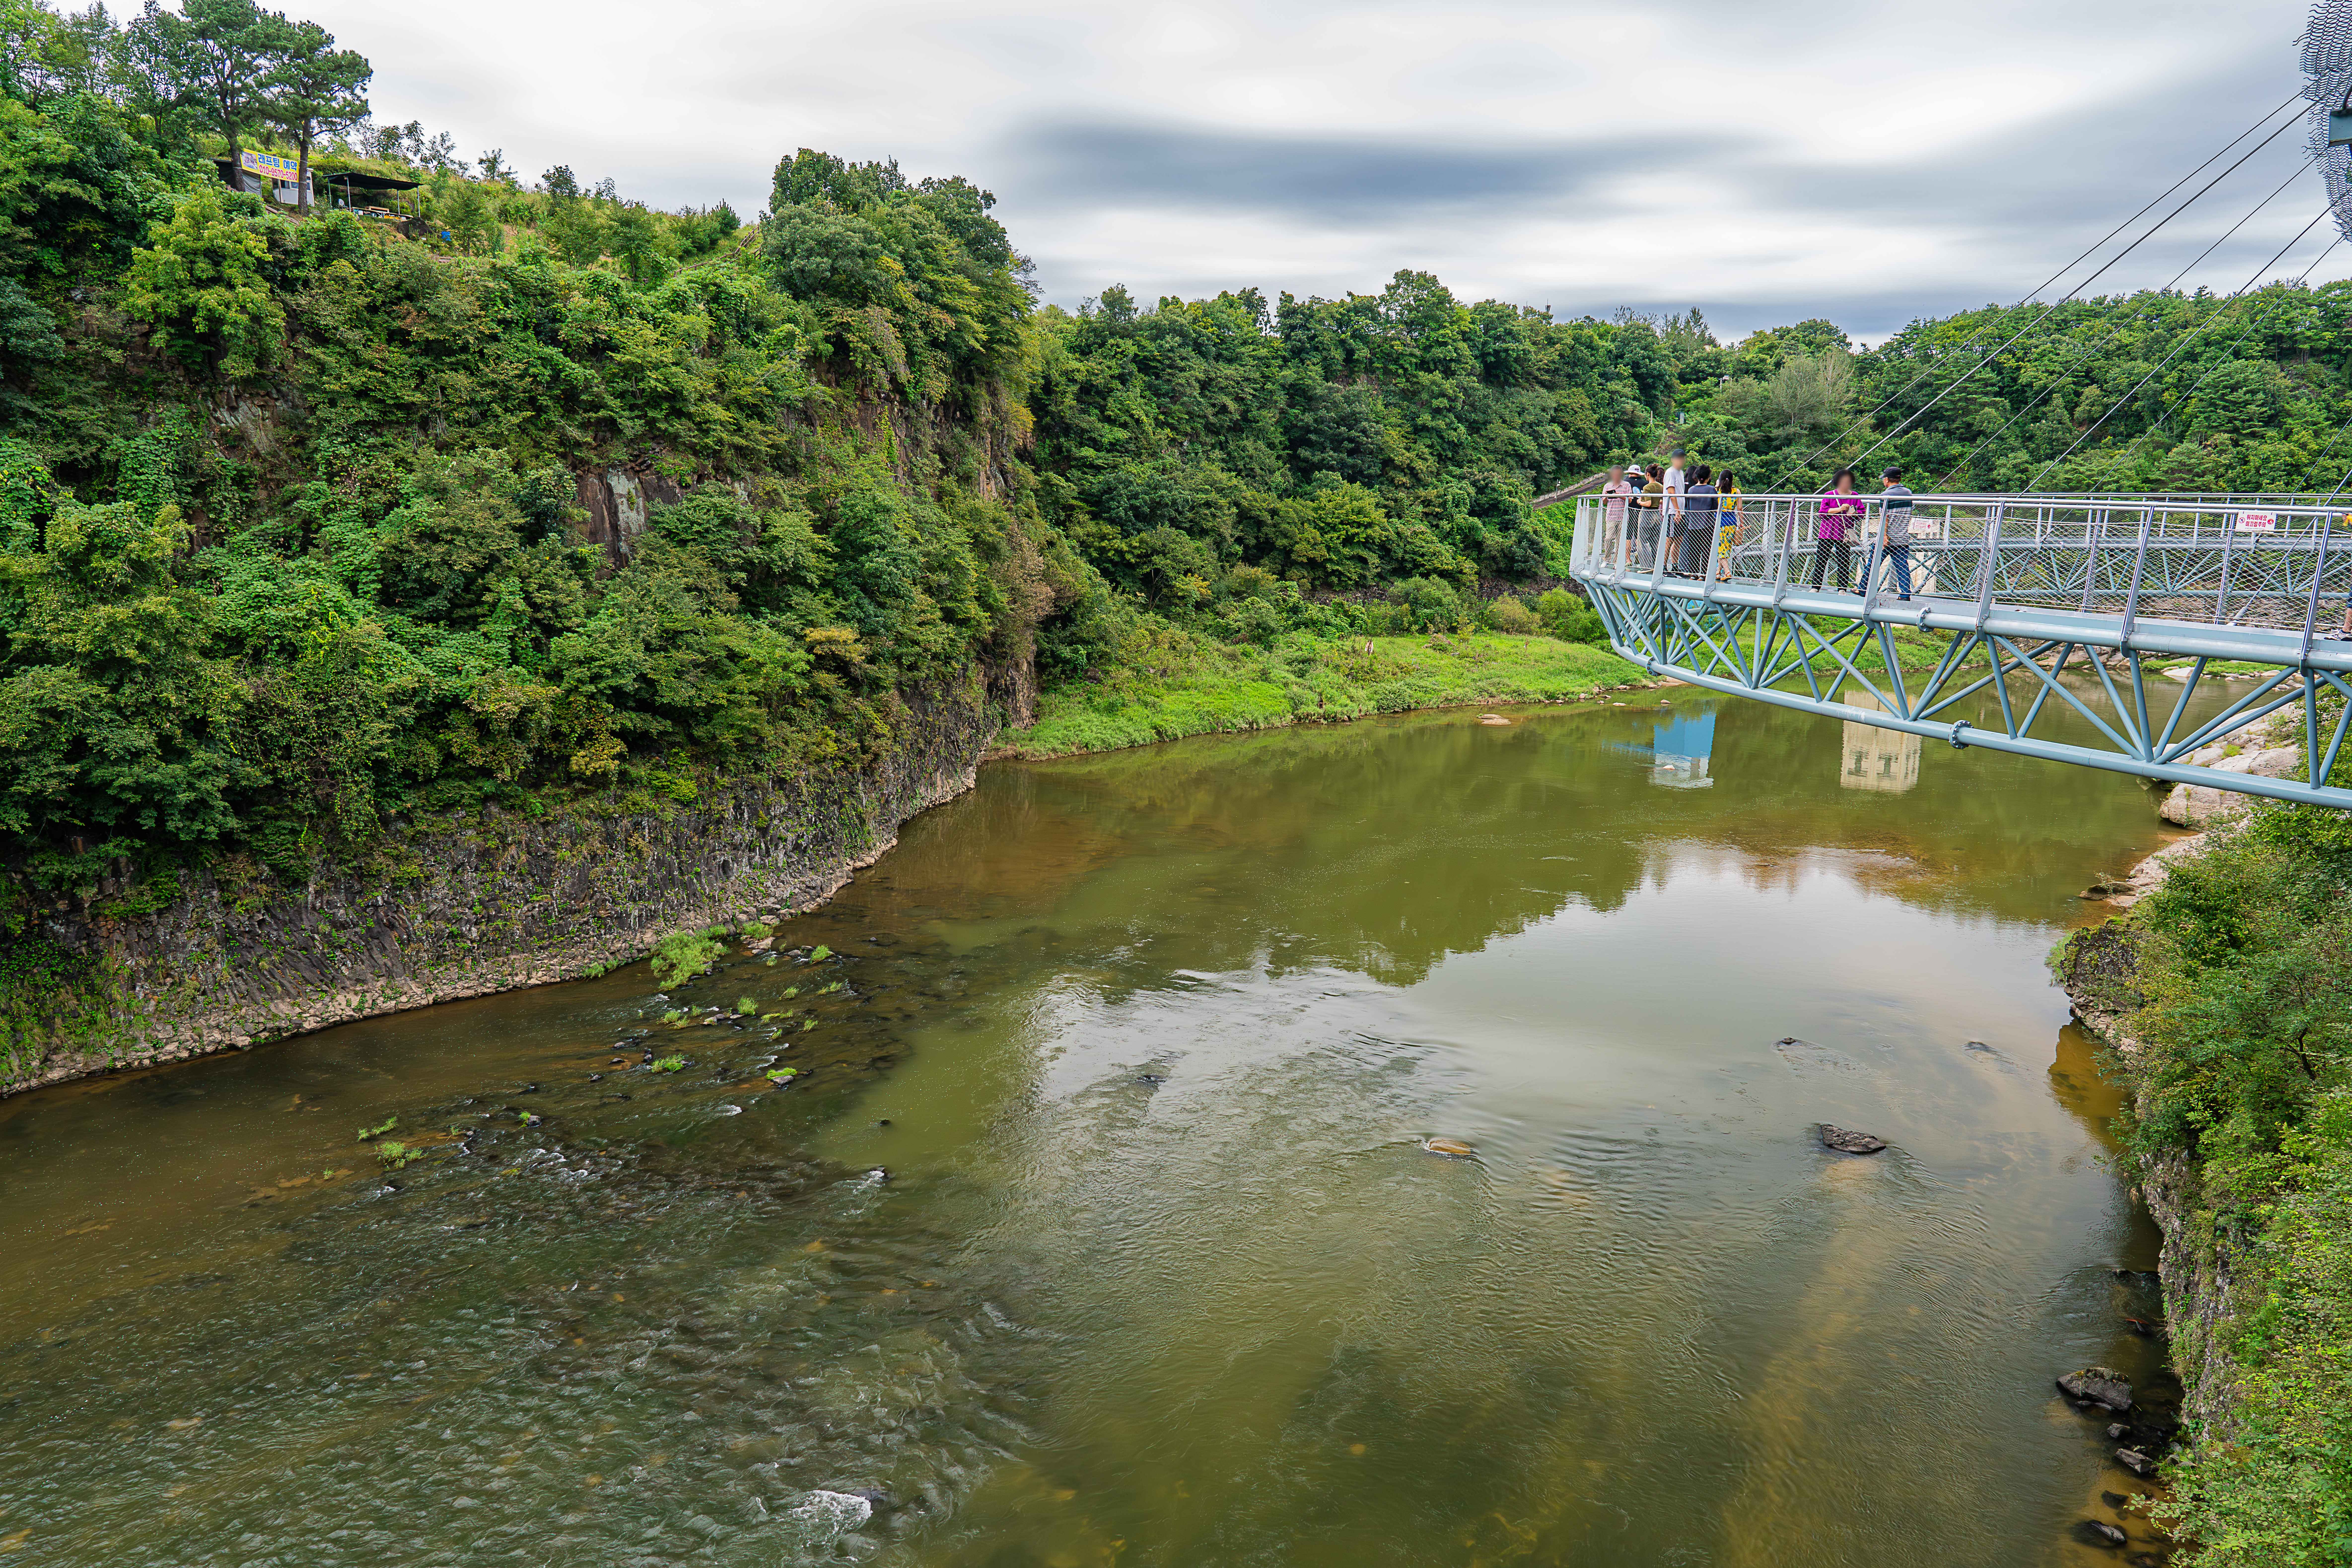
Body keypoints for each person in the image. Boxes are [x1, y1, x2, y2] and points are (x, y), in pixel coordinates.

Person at [1811, 469, 1863, 590]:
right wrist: (1840, 509)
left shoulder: (1855, 496)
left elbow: (1861, 513)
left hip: (1844, 534)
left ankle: (1842, 589)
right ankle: (1816, 587)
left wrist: (1854, 513)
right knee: (1821, 560)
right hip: (1827, 532)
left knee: (1844, 561)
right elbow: (1823, 512)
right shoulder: (1829, 495)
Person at [1878, 466, 1917, 600]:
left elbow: (1885, 518)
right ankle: (1906, 594)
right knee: (1902, 566)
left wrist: (1884, 537)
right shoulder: (1908, 493)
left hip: (1888, 538)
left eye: (1884, 479)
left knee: (1873, 563)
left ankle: (1863, 589)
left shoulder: (1885, 496)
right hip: (1903, 537)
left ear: (1887, 480)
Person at [1680, 464, 1718, 574]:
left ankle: (1694, 574)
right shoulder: (1711, 490)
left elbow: (1689, 507)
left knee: (1694, 551)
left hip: (1693, 525)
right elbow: (1715, 508)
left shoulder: (1691, 490)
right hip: (1708, 525)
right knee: (1706, 551)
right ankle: (1705, 574)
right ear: (1709, 477)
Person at [1600, 464, 1636, 565]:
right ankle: (1606, 560)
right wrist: (1607, 497)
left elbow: (1630, 501)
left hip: (1623, 517)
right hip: (1611, 515)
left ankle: (1616, 562)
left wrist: (1620, 496)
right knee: (1608, 539)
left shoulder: (1626, 485)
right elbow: (1604, 502)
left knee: (1620, 541)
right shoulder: (1607, 486)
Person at [1637, 462, 1667, 569]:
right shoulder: (1661, 487)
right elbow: (1662, 501)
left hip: (1647, 514)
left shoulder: (1647, 488)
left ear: (1648, 474)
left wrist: (1640, 502)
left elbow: (1648, 504)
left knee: (1643, 541)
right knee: (1656, 541)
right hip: (1656, 515)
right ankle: (1657, 565)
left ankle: (1645, 566)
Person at [1715, 471, 1743, 580]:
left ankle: (1728, 572)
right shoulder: (1737, 491)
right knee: (1726, 548)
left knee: (1721, 548)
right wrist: (1741, 523)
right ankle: (1718, 573)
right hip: (1732, 522)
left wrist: (1717, 486)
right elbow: (1740, 508)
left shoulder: (1717, 491)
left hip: (1720, 522)